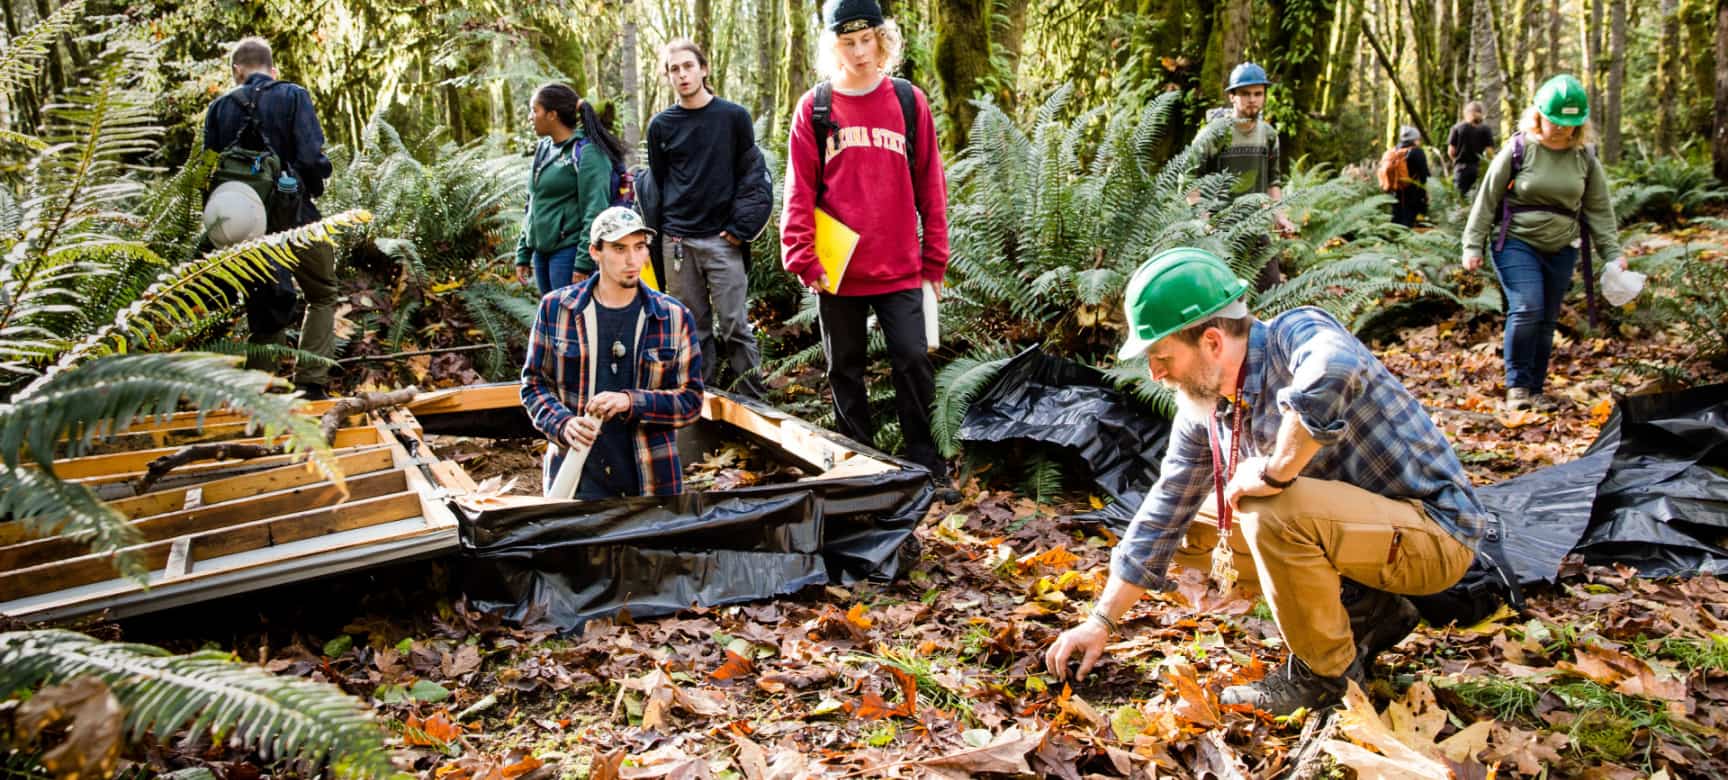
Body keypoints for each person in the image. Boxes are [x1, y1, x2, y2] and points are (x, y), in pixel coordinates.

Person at [1041, 248, 1487, 715]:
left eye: (1161, 356)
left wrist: (1276, 469)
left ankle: (1326, 679)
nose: (1155, 374)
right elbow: (1163, 510)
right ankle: (1369, 609)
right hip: (1365, 539)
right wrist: (1100, 621)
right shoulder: (1207, 407)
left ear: (1212, 341)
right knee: (1197, 524)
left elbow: (1334, 368)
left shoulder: (1294, 333)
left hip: (1436, 534)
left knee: (1267, 508)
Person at [781, 0, 954, 490]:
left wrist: (934, 261)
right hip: (838, 269)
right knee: (845, 371)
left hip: (900, 265)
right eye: (848, 42)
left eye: (867, 40)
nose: (860, 53)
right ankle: (861, 468)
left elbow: (931, 187)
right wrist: (801, 255)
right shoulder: (815, 107)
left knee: (913, 362)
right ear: (833, 46)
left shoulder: (907, 100)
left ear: (883, 39)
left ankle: (927, 468)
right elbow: (799, 188)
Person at [1462, 75, 1624, 413]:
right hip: (1516, 240)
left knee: (1548, 319)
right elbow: (1487, 199)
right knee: (1528, 307)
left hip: (1562, 247)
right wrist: (1472, 245)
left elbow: (1599, 210)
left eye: (1570, 124)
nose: (1562, 130)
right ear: (1539, 115)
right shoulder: (1519, 149)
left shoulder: (1585, 157)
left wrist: (1613, 254)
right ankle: (1517, 386)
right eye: (1555, 122)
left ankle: (1535, 389)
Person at [520, 207, 705, 499]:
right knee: (573, 545)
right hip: (576, 478)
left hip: (651, 480)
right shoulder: (557, 309)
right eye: (619, 249)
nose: (632, 260)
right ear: (595, 252)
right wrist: (563, 423)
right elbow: (533, 385)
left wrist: (631, 401)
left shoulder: (673, 316)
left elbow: (691, 401)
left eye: (639, 247)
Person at [203, 37, 336, 399]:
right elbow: (311, 159)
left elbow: (205, 174)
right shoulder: (293, 95)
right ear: (272, 69)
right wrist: (307, 187)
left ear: (236, 72)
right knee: (323, 291)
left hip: (244, 224)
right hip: (298, 217)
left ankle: (261, 395)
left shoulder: (218, 108)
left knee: (265, 307)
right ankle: (311, 382)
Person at [645, 39, 773, 398]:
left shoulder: (733, 117)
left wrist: (738, 229)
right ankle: (699, 400)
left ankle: (754, 402)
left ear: (703, 69)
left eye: (688, 66)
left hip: (722, 239)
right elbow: (658, 181)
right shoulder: (661, 126)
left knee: (736, 325)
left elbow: (752, 176)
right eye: (674, 69)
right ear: (668, 77)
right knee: (692, 326)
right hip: (678, 242)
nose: (682, 74)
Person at [1190, 62, 1299, 291]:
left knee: (1271, 291)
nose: (1252, 99)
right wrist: (1203, 218)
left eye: (1258, 94)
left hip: (1257, 227)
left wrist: (1280, 216)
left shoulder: (1268, 135)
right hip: (1219, 230)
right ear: (1232, 96)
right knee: (1221, 296)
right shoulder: (1213, 134)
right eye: (1246, 94)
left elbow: (1273, 180)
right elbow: (1191, 179)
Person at [514, 84, 629, 297]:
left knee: (572, 323)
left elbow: (595, 210)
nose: (530, 117)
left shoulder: (588, 152)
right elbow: (533, 203)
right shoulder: (544, 148)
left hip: (570, 253)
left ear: (552, 115)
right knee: (552, 320)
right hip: (542, 253)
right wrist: (523, 253)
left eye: (534, 110)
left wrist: (583, 263)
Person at [1447, 101, 1497, 197]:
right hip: (1479, 170)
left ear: (1466, 113)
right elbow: (1489, 152)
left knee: (1460, 200)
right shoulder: (1485, 129)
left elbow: (1451, 151)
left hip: (1461, 169)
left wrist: (1457, 160)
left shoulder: (1457, 128)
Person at [1387, 126, 1430, 228]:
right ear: (1415, 139)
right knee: (1408, 220)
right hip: (1413, 192)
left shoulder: (1395, 150)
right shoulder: (1417, 152)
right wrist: (1427, 192)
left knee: (1396, 219)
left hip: (1395, 190)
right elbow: (1425, 174)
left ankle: (1393, 240)